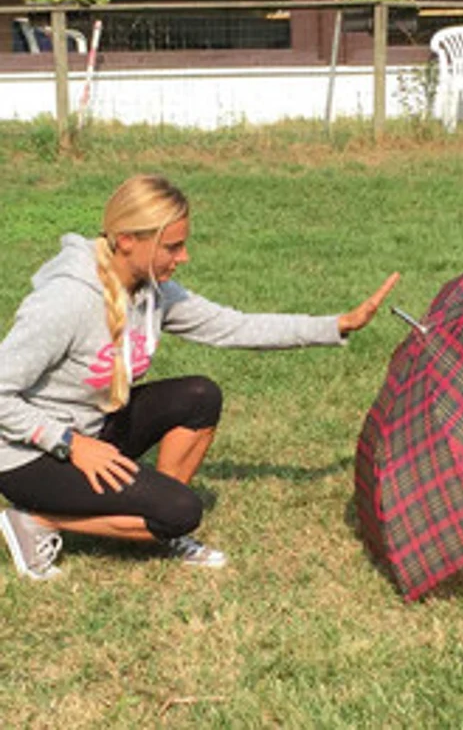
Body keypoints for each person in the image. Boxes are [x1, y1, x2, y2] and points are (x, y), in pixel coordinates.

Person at [0, 174, 398, 579]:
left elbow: (234, 327)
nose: (184, 256)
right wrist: (68, 443)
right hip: (28, 455)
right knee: (183, 511)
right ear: (126, 241)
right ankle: (38, 520)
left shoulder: (151, 290)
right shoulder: (66, 300)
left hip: (92, 429)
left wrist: (337, 325)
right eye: (172, 246)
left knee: (199, 396)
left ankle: (154, 521)